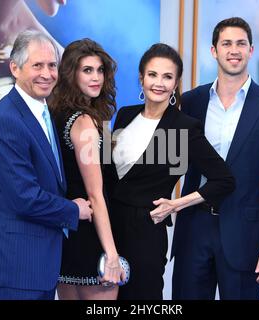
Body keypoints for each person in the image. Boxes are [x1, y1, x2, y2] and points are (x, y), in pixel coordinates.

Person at [171, 17, 259, 300]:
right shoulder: (191, 102)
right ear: (214, 50)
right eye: (226, 43)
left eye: (241, 43)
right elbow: (171, 161)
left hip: (246, 236)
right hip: (194, 230)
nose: (234, 50)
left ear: (251, 50)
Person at [106, 43, 235, 300]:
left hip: (146, 232)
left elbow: (224, 180)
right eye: (153, 75)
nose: (159, 83)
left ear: (176, 83)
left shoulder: (184, 127)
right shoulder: (124, 115)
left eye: (168, 77)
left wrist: (177, 204)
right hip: (109, 228)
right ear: (141, 78)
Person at [0, 30, 93, 300]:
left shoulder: (41, 109)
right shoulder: (7, 120)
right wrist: (73, 209)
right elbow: (24, 197)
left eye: (52, 65)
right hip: (16, 266)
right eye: (37, 65)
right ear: (14, 68)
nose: (47, 73)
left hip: (37, 264)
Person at [50, 39, 125, 300]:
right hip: (91, 237)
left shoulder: (55, 114)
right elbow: (95, 195)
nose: (96, 78)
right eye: (87, 70)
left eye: (100, 70)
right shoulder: (84, 123)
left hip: (65, 235)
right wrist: (112, 255)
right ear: (71, 74)